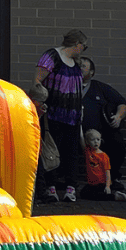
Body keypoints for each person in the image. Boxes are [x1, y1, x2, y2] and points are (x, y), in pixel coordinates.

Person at [33, 29, 91, 203]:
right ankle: (50, 188)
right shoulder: (52, 56)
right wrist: (39, 101)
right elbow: (37, 80)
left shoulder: (75, 63)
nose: (83, 50)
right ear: (76, 44)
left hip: (72, 117)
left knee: (71, 152)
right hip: (52, 115)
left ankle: (70, 187)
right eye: (84, 46)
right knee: (51, 151)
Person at [79, 56, 126, 201]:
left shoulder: (100, 88)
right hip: (77, 132)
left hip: (100, 134)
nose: (79, 68)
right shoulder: (68, 87)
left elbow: (122, 103)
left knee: (117, 142)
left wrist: (118, 117)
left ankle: (113, 179)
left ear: (92, 72)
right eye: (78, 65)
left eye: (83, 66)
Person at [83, 130, 115, 200]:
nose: (96, 142)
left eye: (98, 139)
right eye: (92, 140)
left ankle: (114, 196)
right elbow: (81, 140)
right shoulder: (87, 151)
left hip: (101, 183)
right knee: (83, 193)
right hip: (91, 184)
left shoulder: (104, 156)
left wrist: (107, 186)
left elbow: (107, 173)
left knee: (96, 194)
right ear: (87, 142)